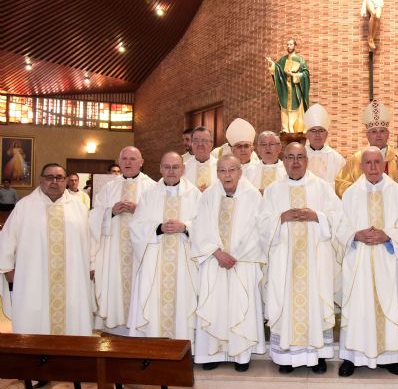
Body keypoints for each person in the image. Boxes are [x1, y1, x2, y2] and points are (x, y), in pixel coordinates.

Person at [258, 143, 341, 374]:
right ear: (283, 161)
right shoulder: (273, 190)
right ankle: (286, 358)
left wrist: (318, 216)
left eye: (300, 157)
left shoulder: (323, 187)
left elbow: (338, 218)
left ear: (307, 160)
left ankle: (318, 355)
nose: (295, 162)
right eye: (291, 157)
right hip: (285, 263)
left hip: (315, 263)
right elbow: (261, 225)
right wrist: (281, 218)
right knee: (285, 303)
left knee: (315, 302)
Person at [336, 146, 398, 377]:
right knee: (358, 307)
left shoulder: (396, 192)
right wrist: (355, 235)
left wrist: (389, 236)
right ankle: (351, 357)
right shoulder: (351, 193)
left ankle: (391, 357)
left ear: (383, 164)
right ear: (361, 166)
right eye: (368, 163)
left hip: (387, 260)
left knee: (389, 306)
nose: (373, 167)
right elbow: (340, 225)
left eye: (377, 162)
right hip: (359, 262)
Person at [192, 155, 266, 372]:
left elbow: (258, 230)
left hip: (242, 263)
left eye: (232, 170)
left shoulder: (253, 196)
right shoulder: (207, 197)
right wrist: (216, 252)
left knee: (239, 306)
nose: (227, 175)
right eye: (222, 170)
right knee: (214, 306)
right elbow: (199, 226)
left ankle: (241, 356)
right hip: (214, 261)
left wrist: (235, 255)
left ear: (240, 172)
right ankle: (211, 354)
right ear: (217, 174)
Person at [0, 163, 93, 335]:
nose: (54, 181)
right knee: (33, 324)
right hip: (33, 279)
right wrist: (7, 270)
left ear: (65, 181)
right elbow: (6, 239)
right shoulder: (24, 206)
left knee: (73, 322)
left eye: (59, 177)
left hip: (72, 279)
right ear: (41, 180)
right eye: (49, 177)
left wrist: (91, 266)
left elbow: (89, 240)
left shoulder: (78, 208)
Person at [128, 152, 201, 346]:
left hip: (184, 262)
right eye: (167, 167)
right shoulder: (149, 194)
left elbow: (204, 225)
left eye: (175, 167)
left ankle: (185, 347)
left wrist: (185, 227)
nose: (171, 171)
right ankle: (154, 346)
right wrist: (158, 228)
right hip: (155, 260)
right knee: (154, 302)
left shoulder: (194, 194)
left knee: (183, 301)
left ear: (183, 169)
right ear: (160, 168)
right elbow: (136, 226)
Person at [90, 146, 155, 335]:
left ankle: (140, 327)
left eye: (133, 159)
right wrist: (110, 211)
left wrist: (139, 209)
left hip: (141, 252)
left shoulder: (152, 187)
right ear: (119, 162)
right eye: (124, 159)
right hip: (114, 251)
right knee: (116, 286)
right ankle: (116, 327)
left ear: (141, 162)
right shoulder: (109, 187)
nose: (128, 162)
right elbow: (93, 216)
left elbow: (160, 217)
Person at [335, 99, 398, 198]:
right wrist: (360, 190)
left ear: (388, 134)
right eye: (374, 132)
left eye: (382, 131)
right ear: (367, 135)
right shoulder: (356, 160)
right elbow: (339, 185)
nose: (378, 135)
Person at [266, 38, 310, 133]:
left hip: (295, 89)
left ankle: (297, 129)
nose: (289, 46)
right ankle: (286, 129)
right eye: (287, 44)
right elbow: (278, 70)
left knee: (298, 108)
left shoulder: (300, 59)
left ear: (295, 46)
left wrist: (294, 75)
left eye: (290, 44)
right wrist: (272, 64)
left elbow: (305, 74)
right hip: (285, 89)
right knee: (284, 108)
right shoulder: (283, 60)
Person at [303, 103, 346, 189]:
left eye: (321, 130)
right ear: (307, 134)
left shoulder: (337, 159)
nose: (317, 134)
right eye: (313, 130)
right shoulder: (300, 155)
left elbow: (342, 186)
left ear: (326, 134)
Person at [184, 126, 217, 192]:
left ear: (211, 144)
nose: (200, 144)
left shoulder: (221, 167)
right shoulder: (183, 168)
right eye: (196, 140)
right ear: (192, 144)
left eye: (204, 140)